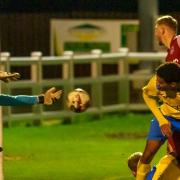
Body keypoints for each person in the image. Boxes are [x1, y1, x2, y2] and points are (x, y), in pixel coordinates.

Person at [136, 62, 180, 179]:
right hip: (165, 116)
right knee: (148, 154)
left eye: (161, 83)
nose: (157, 85)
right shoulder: (156, 82)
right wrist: (162, 121)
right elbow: (147, 95)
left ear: (173, 85)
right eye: (157, 81)